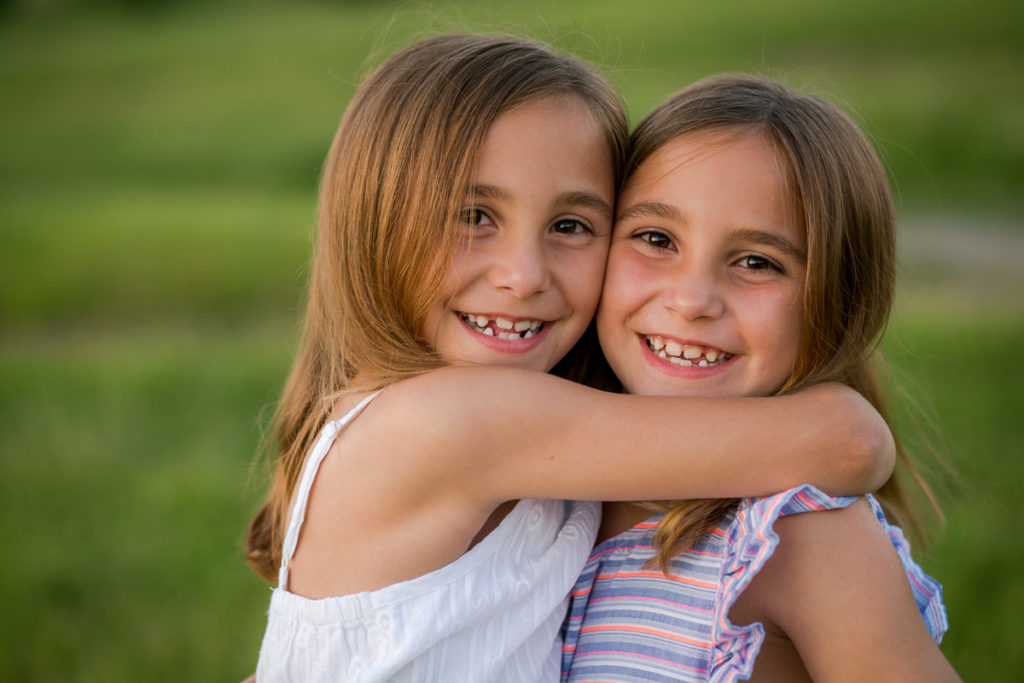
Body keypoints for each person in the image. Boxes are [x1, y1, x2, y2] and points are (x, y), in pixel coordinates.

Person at [246, 37, 895, 682]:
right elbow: (850, 441)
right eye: (474, 215)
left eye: (570, 226)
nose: (524, 276)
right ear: (374, 222)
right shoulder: (452, 419)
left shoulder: (517, 441)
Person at [561, 74, 959, 682]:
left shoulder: (799, 538)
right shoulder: (548, 486)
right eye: (656, 238)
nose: (692, 301)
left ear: (836, 303)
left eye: (756, 262)